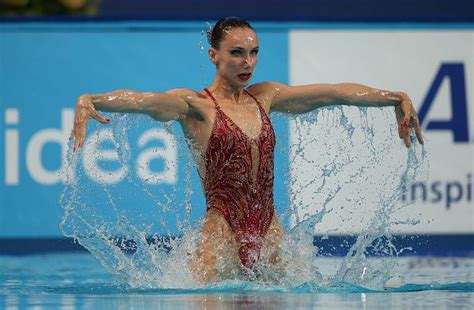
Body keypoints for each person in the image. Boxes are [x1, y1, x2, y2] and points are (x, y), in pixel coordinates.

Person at [70, 17, 424, 282]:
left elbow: (334, 92)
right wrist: (93, 100)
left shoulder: (265, 97)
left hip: (270, 233)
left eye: (253, 53)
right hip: (221, 232)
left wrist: (394, 97)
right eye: (236, 53)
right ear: (214, 55)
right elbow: (144, 101)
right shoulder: (195, 106)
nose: (247, 62)